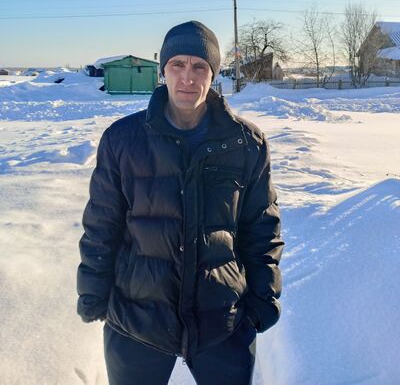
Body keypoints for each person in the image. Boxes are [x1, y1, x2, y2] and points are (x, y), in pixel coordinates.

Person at [77, 21, 284, 385]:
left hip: (221, 320)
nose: (188, 77)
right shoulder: (123, 140)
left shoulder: (246, 144)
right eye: (178, 64)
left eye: (199, 66)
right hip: (137, 319)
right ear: (164, 70)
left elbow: (261, 227)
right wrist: (93, 291)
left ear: (213, 73)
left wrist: (263, 299)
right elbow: (102, 224)